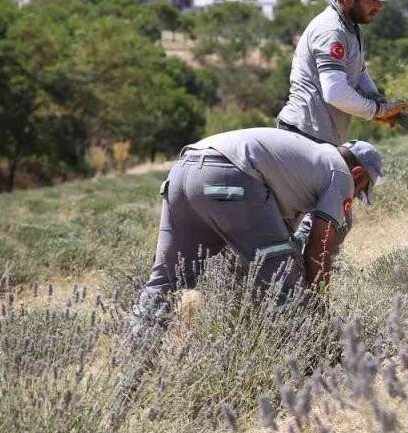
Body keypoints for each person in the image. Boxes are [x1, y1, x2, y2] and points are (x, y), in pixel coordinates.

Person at [136, 128, 383, 321]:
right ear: (358, 174)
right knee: (284, 281)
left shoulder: (307, 160)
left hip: (182, 171)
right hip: (228, 174)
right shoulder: (341, 174)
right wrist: (319, 301)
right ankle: (310, 359)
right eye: (360, 191)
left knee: (163, 283)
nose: (353, 198)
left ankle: (132, 370)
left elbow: (284, 233)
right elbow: (320, 247)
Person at [277, 0, 407, 145]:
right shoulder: (332, 31)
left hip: (319, 136)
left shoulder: (352, 28)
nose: (379, 6)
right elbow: (335, 93)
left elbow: (359, 73)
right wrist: (376, 111)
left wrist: (379, 102)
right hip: (303, 134)